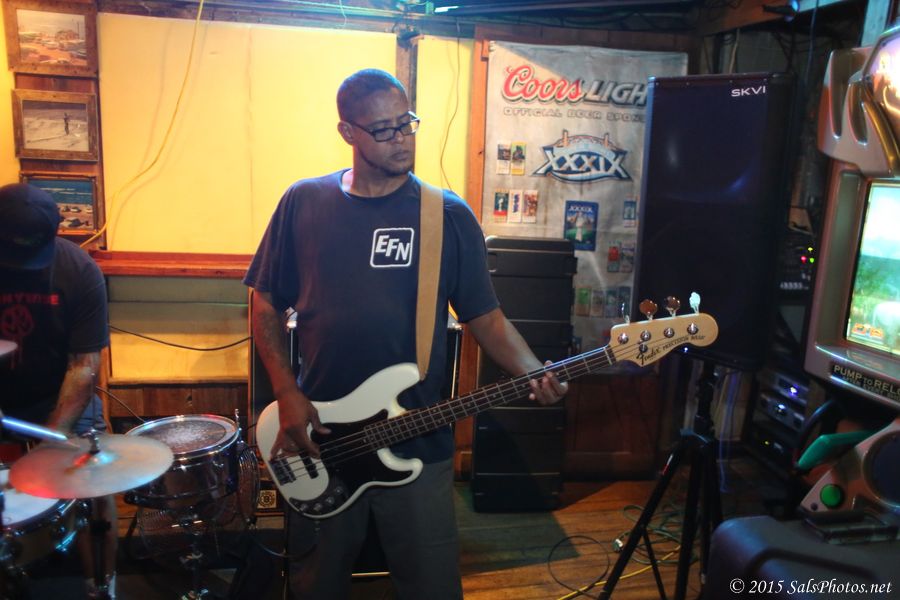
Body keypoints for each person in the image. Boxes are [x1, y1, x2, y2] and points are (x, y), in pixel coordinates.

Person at [244, 68, 567, 599]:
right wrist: (287, 392)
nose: (401, 139)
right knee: (314, 585)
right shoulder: (303, 202)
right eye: (383, 130)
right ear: (347, 132)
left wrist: (533, 370)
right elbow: (264, 301)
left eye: (407, 123)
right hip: (319, 435)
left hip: (418, 439)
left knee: (431, 586)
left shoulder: (447, 215)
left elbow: (485, 317)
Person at [0, 183, 117, 599]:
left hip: (59, 394)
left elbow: (83, 365)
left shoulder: (79, 270)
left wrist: (52, 438)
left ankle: (100, 585)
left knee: (96, 482)